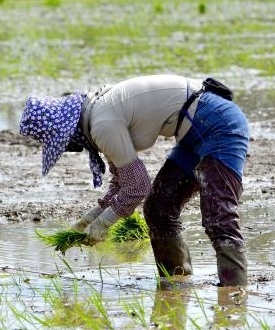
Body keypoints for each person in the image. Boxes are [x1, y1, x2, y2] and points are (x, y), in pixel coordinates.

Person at [19, 74, 250, 287]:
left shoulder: (102, 124)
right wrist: (88, 219)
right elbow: (121, 183)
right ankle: (176, 283)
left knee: (218, 216)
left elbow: (138, 186)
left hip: (220, 124)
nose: (73, 148)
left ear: (68, 131)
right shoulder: (96, 114)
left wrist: (102, 225)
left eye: (68, 144)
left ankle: (235, 293)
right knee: (159, 207)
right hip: (192, 133)